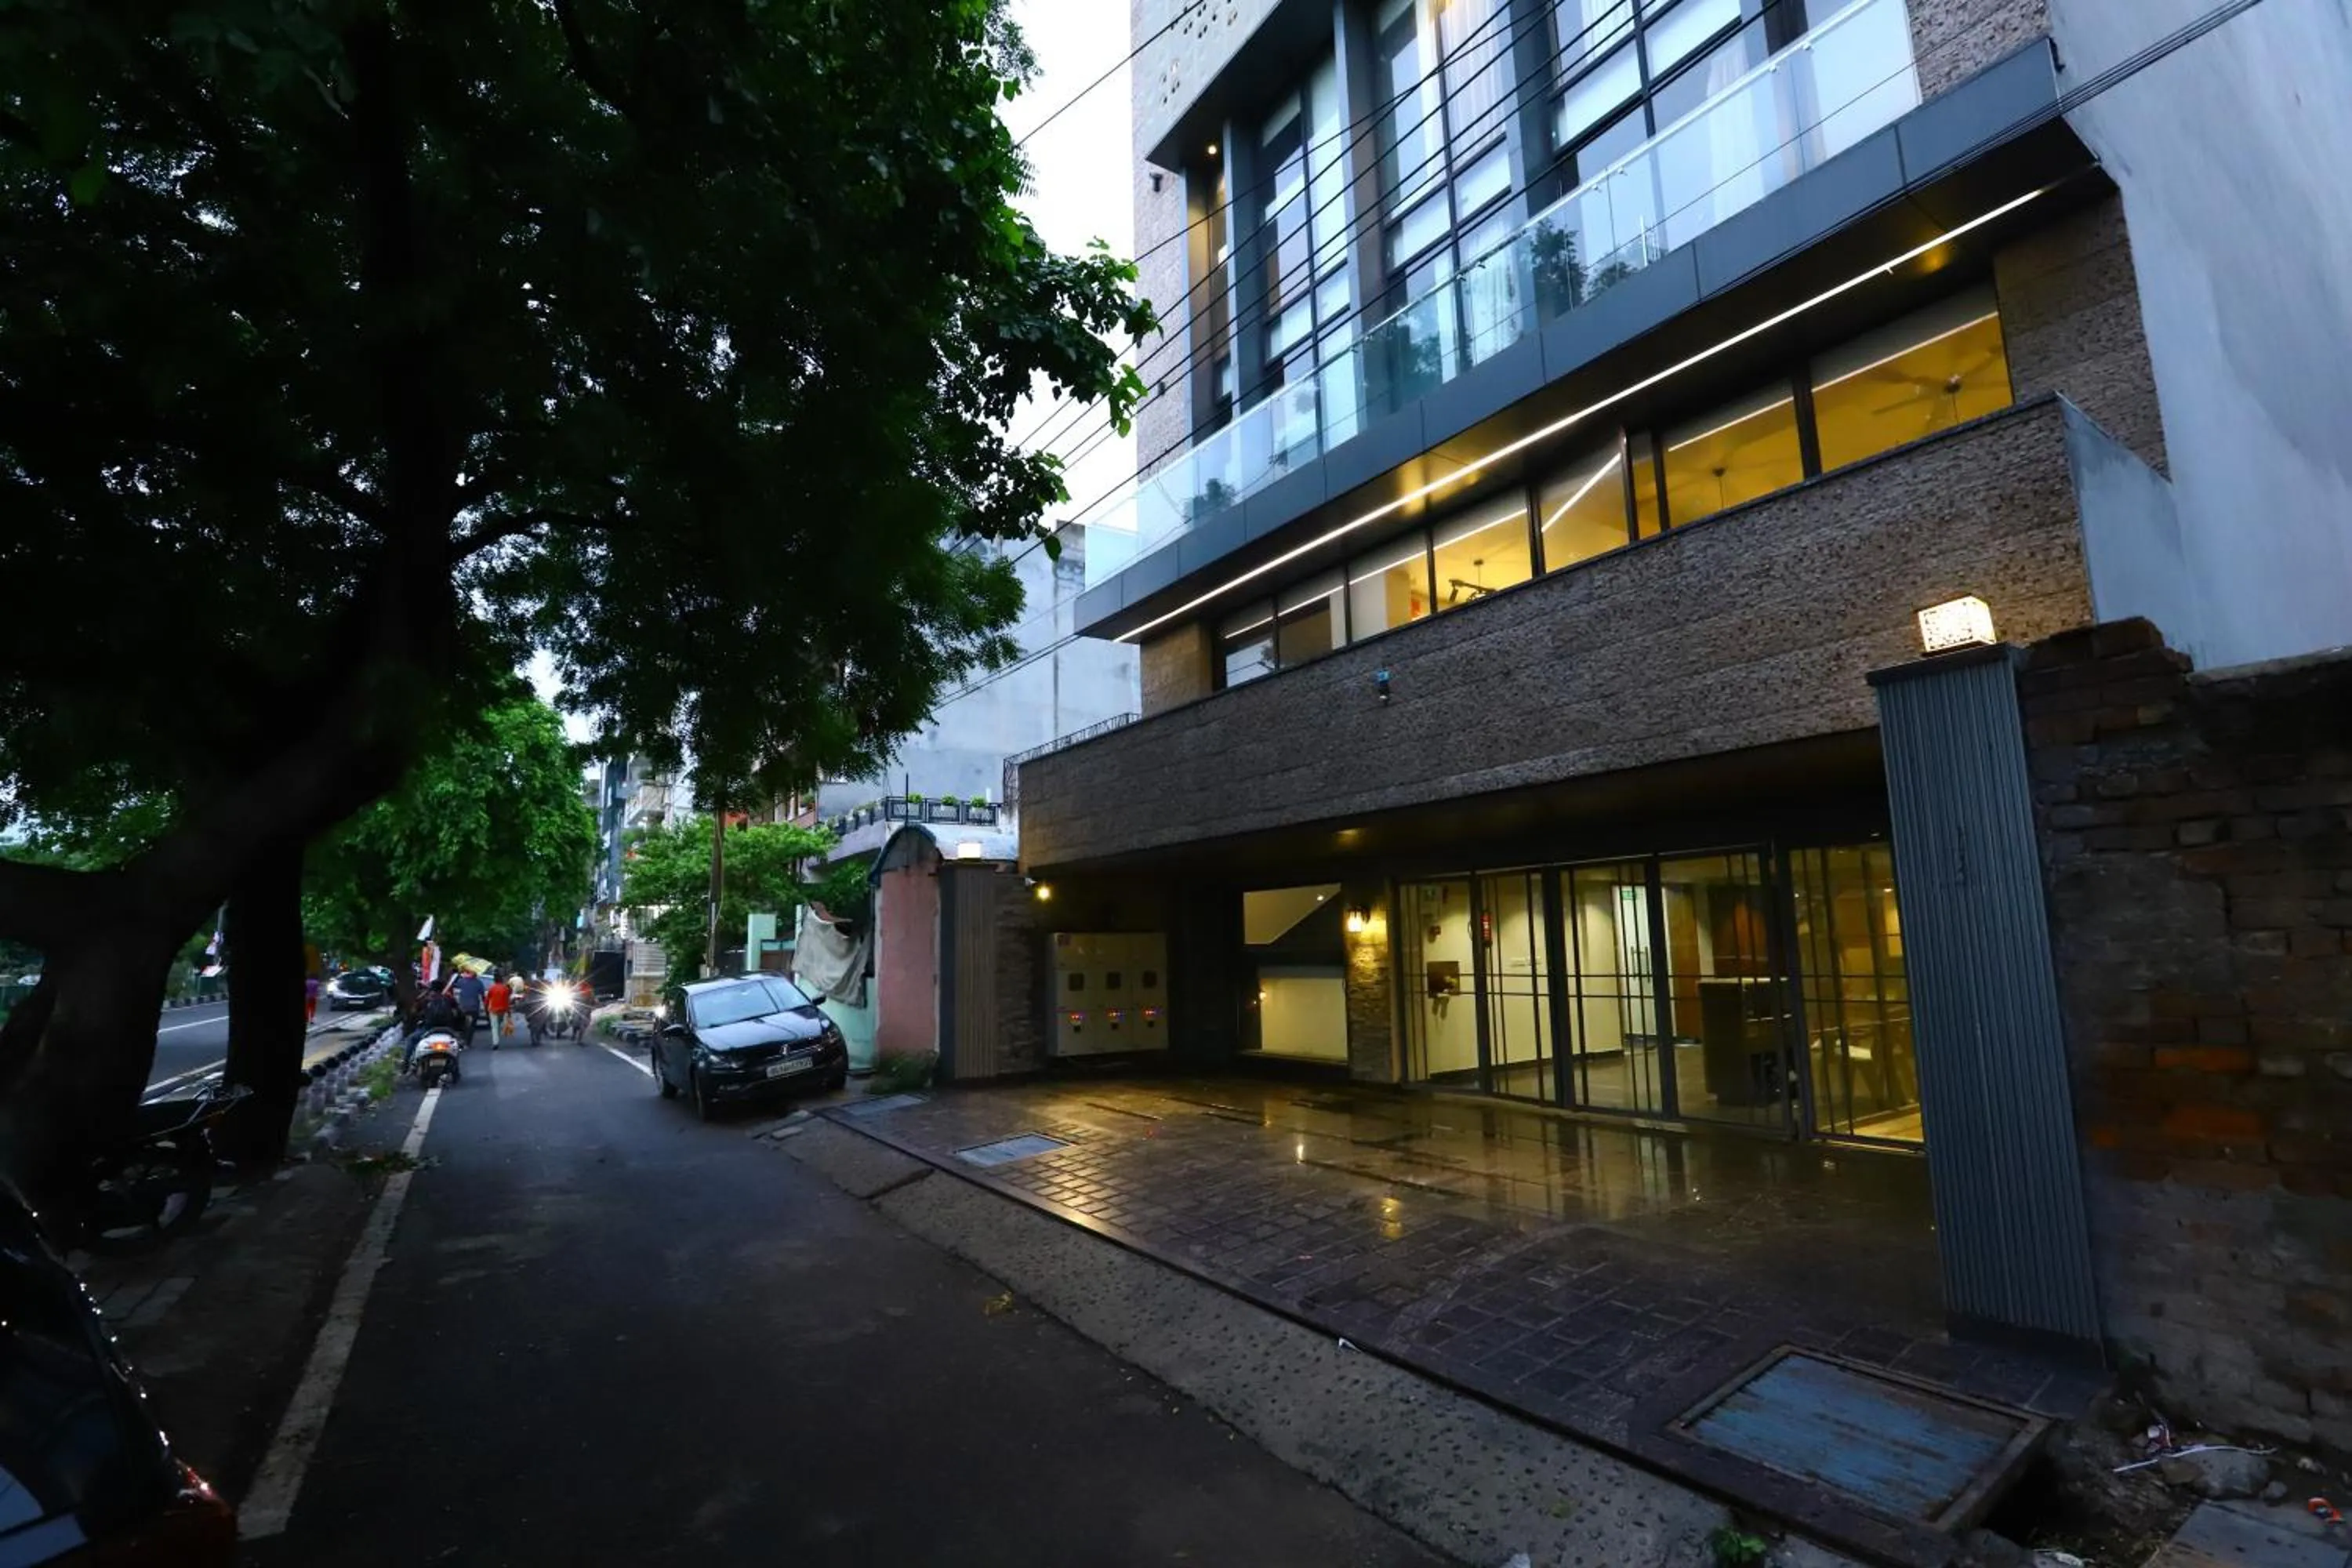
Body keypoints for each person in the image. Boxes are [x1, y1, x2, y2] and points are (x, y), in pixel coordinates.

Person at [448, 965, 487, 1046]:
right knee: (472, 1026)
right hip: (474, 1008)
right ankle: (468, 1043)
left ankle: (463, 1039)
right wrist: (485, 1006)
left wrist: (457, 975)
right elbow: (483, 996)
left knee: (462, 1024)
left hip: (463, 1007)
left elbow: (453, 987)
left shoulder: (461, 981)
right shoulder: (479, 983)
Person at [485, 971, 513, 1049]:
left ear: (494, 980)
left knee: (494, 1027)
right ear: (502, 980)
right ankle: (498, 1038)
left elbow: (487, 1000)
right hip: (503, 1010)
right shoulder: (505, 989)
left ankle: (495, 1043)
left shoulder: (491, 988)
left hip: (493, 1010)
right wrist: (509, 1012)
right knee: (499, 1025)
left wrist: (486, 1008)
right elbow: (507, 1001)